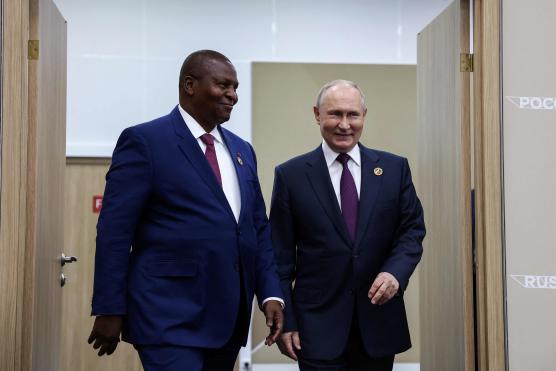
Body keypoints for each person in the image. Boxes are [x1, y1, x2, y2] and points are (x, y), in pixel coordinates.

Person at [87, 50, 284, 371]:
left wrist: (271, 294)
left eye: (235, 87)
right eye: (223, 85)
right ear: (189, 85)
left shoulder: (242, 150)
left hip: (226, 317)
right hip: (167, 314)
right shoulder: (146, 141)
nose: (233, 95)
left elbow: (256, 229)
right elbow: (114, 232)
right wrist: (110, 307)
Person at [270, 80, 425, 371]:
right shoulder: (291, 176)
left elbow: (411, 231)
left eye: (353, 115)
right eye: (335, 114)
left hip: (378, 323)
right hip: (315, 328)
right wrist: (287, 319)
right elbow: (279, 257)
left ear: (364, 115)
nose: (344, 124)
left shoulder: (394, 169)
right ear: (317, 114)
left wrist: (395, 273)